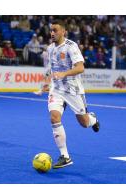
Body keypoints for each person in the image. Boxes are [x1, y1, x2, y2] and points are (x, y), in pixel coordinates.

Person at [46, 20, 100, 169]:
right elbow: (51, 68)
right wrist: (46, 83)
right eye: (51, 30)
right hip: (56, 89)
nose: (52, 33)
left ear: (63, 31)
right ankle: (65, 156)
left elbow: (80, 68)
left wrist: (64, 74)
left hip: (73, 90)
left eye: (55, 30)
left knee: (84, 123)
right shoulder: (50, 49)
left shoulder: (71, 46)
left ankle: (93, 119)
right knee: (54, 117)